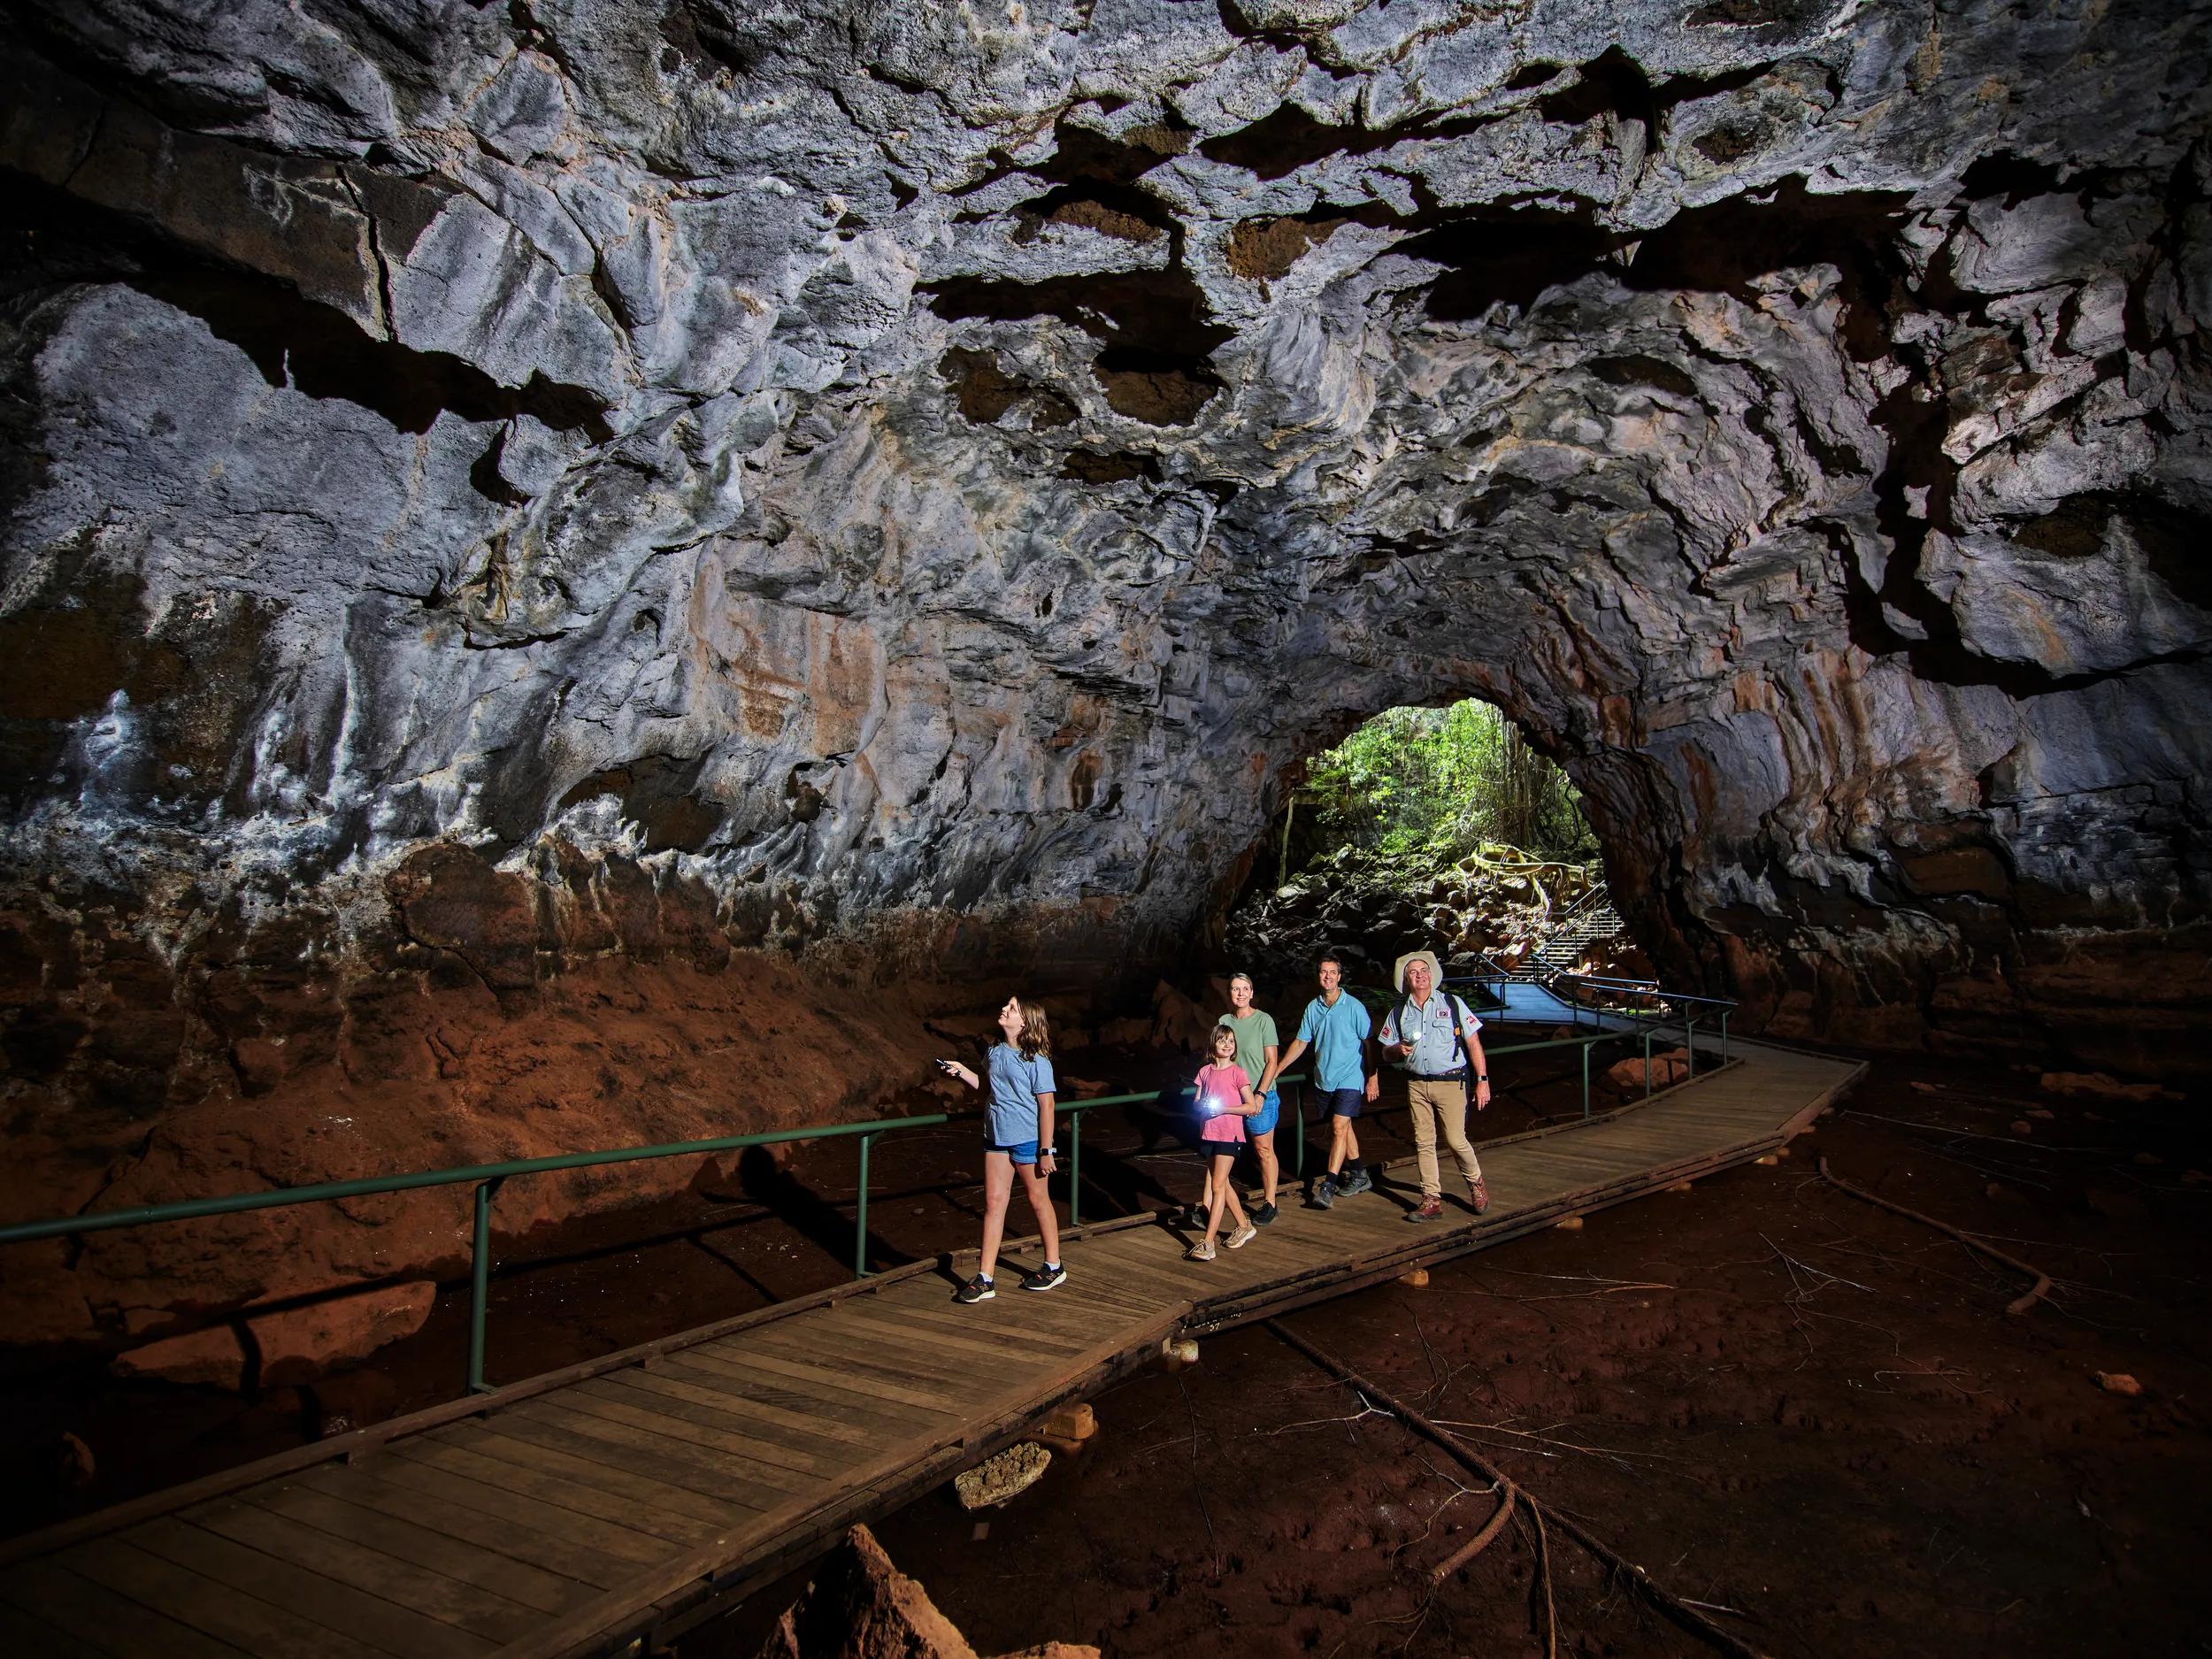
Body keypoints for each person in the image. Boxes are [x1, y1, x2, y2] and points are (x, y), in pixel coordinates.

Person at [938, 996, 1066, 1302]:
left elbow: (1047, 1104)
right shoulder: (994, 1052)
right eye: (1007, 1006)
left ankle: (1054, 1265)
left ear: (1024, 1022)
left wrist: (1046, 1150)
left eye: (1012, 1008)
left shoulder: (1037, 1060)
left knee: (1038, 1201)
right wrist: (961, 1071)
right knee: (994, 1203)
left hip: (1027, 1140)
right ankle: (985, 1278)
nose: (1005, 1009)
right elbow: (986, 1086)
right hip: (996, 1137)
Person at [1377, 949, 1493, 1218]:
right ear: (1407, 980)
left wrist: (1483, 1080)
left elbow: (1473, 1042)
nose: (1419, 976)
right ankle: (1431, 1199)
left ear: (1432, 975)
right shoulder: (1398, 1012)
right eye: (1413, 972)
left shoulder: (1452, 1004)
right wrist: (1397, 1051)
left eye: (1423, 970)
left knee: (1455, 1140)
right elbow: (1385, 1051)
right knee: (1424, 1143)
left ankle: (1476, 1182)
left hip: (1451, 1082)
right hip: (1417, 1084)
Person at [1260, 949, 1375, 1209]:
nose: (1328, 977)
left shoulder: (1354, 1006)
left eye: (1332, 972)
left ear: (1340, 976)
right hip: (1325, 1079)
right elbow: (1302, 1042)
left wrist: (1372, 1076)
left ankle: (1328, 1186)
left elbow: (1369, 1043)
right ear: (1319, 977)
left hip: (1350, 1076)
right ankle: (1359, 1174)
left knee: (1337, 1127)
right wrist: (1276, 1069)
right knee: (1344, 1127)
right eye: (1324, 972)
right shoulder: (1314, 1007)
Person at [1187, 1025, 1260, 1260]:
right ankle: (1243, 1225)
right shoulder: (1205, 1072)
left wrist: (1223, 1109)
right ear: (1213, 1046)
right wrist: (1204, 1105)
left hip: (1230, 1134)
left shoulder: (1238, 1073)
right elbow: (1196, 1102)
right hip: (1209, 1132)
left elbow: (1250, 1106)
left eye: (1230, 1041)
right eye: (1222, 1041)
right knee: (1222, 1182)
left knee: (1217, 1186)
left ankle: (1208, 1243)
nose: (1227, 1045)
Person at [1216, 972, 1282, 1224]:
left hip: (1259, 1094)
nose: (1241, 993)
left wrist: (1260, 1094)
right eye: (1235, 989)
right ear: (1229, 994)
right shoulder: (1224, 1020)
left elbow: (1272, 1061)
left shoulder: (1264, 1021)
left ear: (1252, 992)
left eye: (1245, 989)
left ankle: (1270, 1203)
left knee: (1263, 1148)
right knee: (1222, 1151)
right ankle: (1212, 1206)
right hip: (1233, 1097)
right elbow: (1220, 1057)